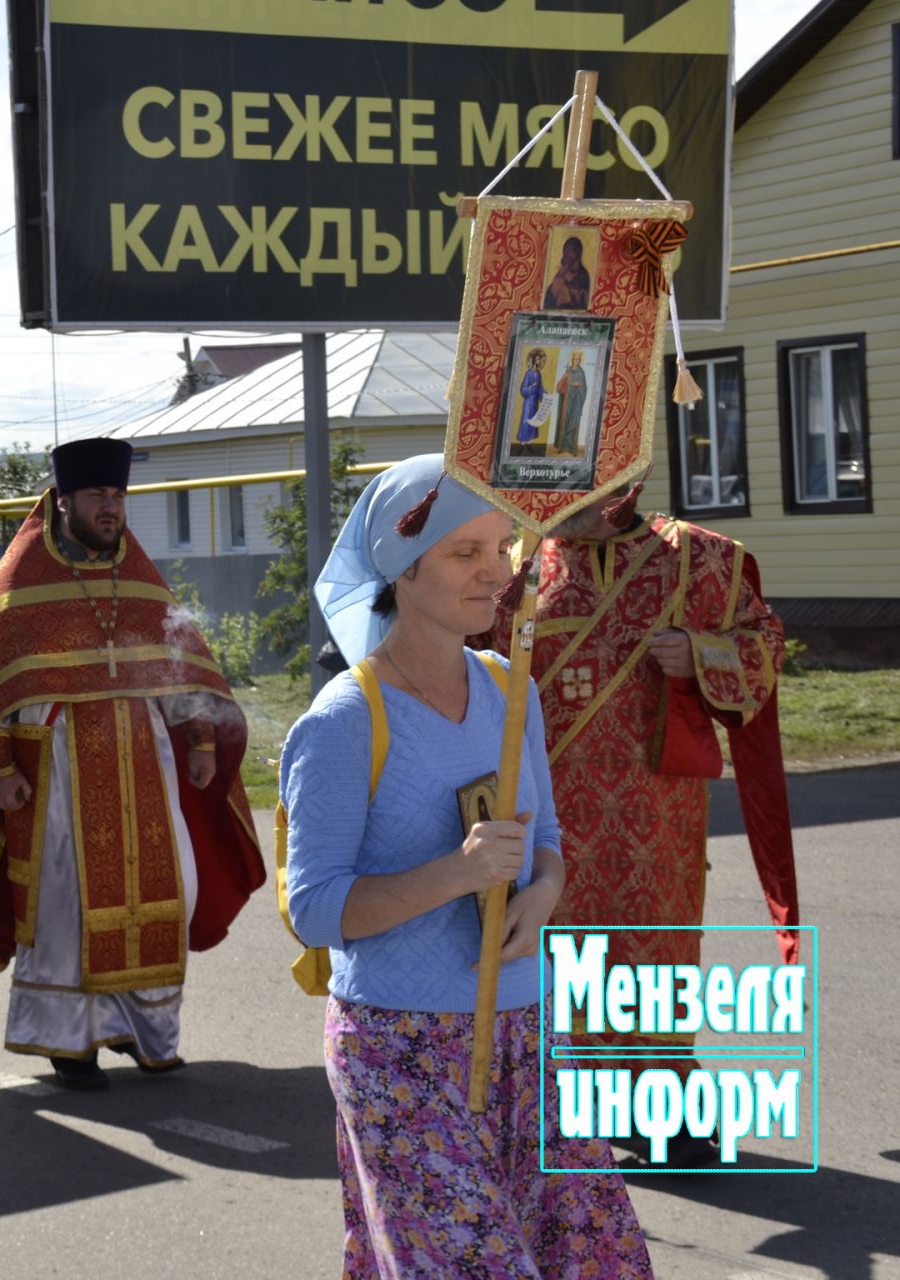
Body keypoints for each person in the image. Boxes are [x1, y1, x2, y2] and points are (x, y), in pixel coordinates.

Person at [281, 455, 651, 1276]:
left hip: (530, 1036)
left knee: (595, 1261)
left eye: (502, 549)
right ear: (399, 569)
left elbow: (545, 834)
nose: (497, 574)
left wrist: (542, 894)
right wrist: (453, 874)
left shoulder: (507, 689)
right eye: (465, 554)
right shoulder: (345, 720)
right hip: (400, 1050)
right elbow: (314, 909)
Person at [486, 475, 795, 1161]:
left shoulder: (697, 557)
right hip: (550, 804)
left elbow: (763, 642)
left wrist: (701, 654)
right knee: (557, 952)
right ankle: (577, 1112)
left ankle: (665, 1112)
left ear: (620, 489)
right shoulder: (517, 569)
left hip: (655, 811)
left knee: (653, 948)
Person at [0, 437, 264, 1089]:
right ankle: (70, 1044)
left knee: (163, 891)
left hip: (145, 761)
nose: (110, 508)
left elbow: (174, 663)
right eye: (96, 496)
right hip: (58, 768)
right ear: (63, 502)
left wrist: (199, 738)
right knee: (66, 902)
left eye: (117, 497)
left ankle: (145, 1031)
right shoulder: (22, 582)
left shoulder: (139, 577)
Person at [554, 350, 589, 456]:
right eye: (575, 359)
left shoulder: (581, 373)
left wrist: (579, 386)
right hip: (566, 401)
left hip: (576, 402)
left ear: (580, 361)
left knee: (573, 423)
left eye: (578, 360)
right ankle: (562, 447)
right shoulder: (567, 371)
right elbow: (559, 387)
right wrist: (565, 378)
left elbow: (585, 388)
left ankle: (572, 448)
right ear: (572, 360)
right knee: (564, 422)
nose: (576, 361)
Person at [543, 235, 592, 309]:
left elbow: (583, 298)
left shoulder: (583, 275)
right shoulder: (563, 271)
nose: (570, 259)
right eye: (567, 256)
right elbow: (551, 293)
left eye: (573, 256)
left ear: (578, 256)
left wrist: (570, 291)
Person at [515, 349, 551, 448]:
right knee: (526, 419)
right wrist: (531, 387)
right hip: (528, 401)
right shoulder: (528, 374)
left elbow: (540, 387)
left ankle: (530, 437)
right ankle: (523, 438)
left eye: (540, 360)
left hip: (535, 401)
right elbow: (523, 389)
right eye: (538, 359)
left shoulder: (539, 374)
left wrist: (544, 394)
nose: (539, 361)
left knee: (533, 419)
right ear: (534, 360)